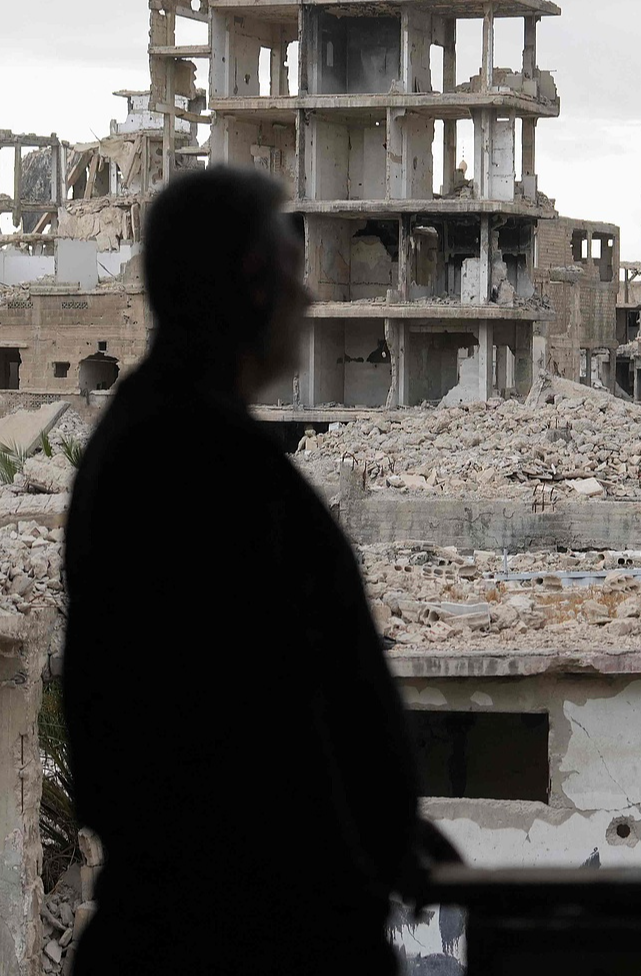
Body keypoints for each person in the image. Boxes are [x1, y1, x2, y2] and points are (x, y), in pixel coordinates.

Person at [63, 167, 434, 972]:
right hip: (243, 936)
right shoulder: (202, 465)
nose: (308, 305)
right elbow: (267, 728)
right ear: (255, 284)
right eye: (295, 276)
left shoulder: (161, 442)